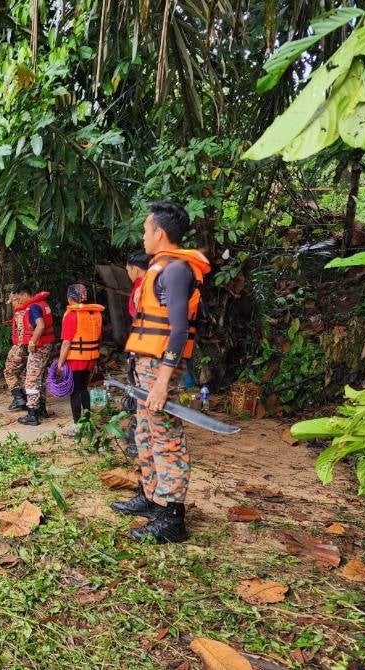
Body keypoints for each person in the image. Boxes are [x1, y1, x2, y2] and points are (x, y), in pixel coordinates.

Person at [110, 201, 211, 544]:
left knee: (166, 436)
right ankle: (152, 497)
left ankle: (172, 517)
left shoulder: (176, 270)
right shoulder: (159, 268)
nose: (143, 236)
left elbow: (179, 331)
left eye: (145, 230)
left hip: (160, 368)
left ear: (160, 233)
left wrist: (164, 380)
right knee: (145, 433)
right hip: (146, 365)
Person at [55, 283, 104, 437]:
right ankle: (88, 422)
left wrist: (60, 363)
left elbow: (66, 342)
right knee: (83, 389)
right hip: (90, 358)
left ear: (70, 298)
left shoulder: (71, 315)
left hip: (76, 359)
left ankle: (78, 426)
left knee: (75, 392)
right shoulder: (95, 313)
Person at [3, 284, 55, 426]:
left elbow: (41, 325)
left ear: (25, 295)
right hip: (46, 346)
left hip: (38, 347)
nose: (18, 301)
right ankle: (41, 409)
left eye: (18, 298)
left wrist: (32, 342)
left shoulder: (32, 307)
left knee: (31, 380)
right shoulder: (42, 304)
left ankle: (32, 414)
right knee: (40, 379)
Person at [122, 251, 151, 457]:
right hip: (148, 347)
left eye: (127, 270)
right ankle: (136, 433)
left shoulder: (143, 287)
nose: (128, 274)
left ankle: (138, 440)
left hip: (144, 349)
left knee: (140, 394)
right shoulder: (151, 284)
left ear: (134, 268)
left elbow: (143, 322)